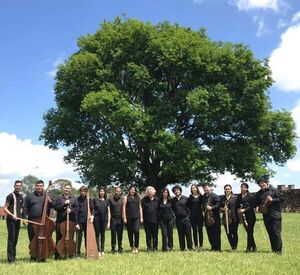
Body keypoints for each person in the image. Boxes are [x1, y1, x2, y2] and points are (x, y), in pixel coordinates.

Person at [24, 180, 54, 261]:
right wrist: (24, 218)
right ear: (35, 186)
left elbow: (53, 206)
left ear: (43, 187)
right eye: (38, 186)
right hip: (32, 221)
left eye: (41, 186)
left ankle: (43, 256)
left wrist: (50, 201)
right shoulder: (29, 196)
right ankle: (33, 256)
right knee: (32, 238)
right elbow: (25, 208)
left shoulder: (47, 195)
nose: (39, 187)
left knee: (44, 239)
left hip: (43, 222)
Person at [255, 178, 284, 254]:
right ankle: (273, 249)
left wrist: (272, 199)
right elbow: (256, 202)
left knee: (276, 233)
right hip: (266, 215)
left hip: (275, 215)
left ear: (266, 183)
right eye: (260, 184)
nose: (262, 185)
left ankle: (278, 250)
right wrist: (257, 207)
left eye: (263, 183)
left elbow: (282, 199)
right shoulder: (258, 193)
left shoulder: (274, 190)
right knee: (270, 233)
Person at [54, 182, 78, 259]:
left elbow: (77, 209)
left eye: (68, 188)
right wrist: (64, 204)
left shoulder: (74, 198)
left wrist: (71, 210)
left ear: (70, 189)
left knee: (70, 237)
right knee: (59, 237)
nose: (67, 189)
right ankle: (58, 254)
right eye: (66, 188)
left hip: (71, 222)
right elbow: (55, 208)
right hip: (60, 221)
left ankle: (70, 253)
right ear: (63, 189)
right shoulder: (59, 198)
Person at [4, 180, 24, 264]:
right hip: (11, 220)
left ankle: (13, 258)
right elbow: (5, 208)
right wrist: (12, 215)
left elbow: (22, 208)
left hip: (18, 221)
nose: (18, 187)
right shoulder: (10, 196)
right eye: (17, 185)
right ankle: (10, 260)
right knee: (11, 239)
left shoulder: (21, 197)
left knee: (15, 239)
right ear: (14, 186)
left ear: (21, 187)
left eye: (20, 186)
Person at [171, 185, 193, 251]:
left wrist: (188, 217)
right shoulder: (173, 200)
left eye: (177, 190)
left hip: (186, 218)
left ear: (180, 191)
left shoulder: (186, 198)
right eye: (175, 191)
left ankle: (190, 247)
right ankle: (182, 248)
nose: (176, 191)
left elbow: (190, 208)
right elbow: (173, 209)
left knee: (188, 234)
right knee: (180, 234)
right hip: (178, 219)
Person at [236, 182, 256, 252]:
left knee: (250, 231)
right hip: (243, 216)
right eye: (242, 187)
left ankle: (248, 247)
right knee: (248, 231)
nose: (243, 188)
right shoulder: (239, 196)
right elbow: (237, 205)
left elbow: (253, 205)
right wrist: (239, 209)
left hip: (251, 216)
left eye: (244, 187)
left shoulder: (251, 196)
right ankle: (254, 247)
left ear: (247, 188)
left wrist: (245, 209)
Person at [122, 185, 143, 253]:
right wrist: (124, 217)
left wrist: (141, 217)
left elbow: (140, 207)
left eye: (133, 190)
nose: (132, 191)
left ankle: (136, 247)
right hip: (128, 218)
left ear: (135, 191)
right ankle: (132, 247)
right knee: (130, 233)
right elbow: (123, 207)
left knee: (136, 231)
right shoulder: (126, 197)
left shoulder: (138, 198)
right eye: (131, 189)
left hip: (136, 217)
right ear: (129, 190)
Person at [202, 183, 221, 251]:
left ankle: (218, 248)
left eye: (206, 187)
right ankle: (213, 247)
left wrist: (211, 207)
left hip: (215, 217)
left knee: (216, 233)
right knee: (209, 233)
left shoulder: (215, 196)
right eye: (204, 188)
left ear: (210, 187)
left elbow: (218, 205)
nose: (205, 189)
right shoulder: (203, 196)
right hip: (207, 217)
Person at [76, 185, 93, 256]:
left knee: (87, 237)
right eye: (82, 191)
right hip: (79, 221)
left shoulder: (89, 200)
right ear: (80, 191)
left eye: (85, 191)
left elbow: (93, 209)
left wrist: (92, 216)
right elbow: (76, 212)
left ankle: (88, 251)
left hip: (87, 222)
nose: (83, 192)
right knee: (78, 237)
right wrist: (76, 223)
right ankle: (77, 252)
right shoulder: (77, 199)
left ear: (86, 192)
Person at [220, 184, 238, 251]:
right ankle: (232, 246)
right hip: (225, 218)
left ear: (231, 189)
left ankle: (235, 247)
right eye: (226, 189)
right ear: (224, 190)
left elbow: (238, 207)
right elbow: (219, 207)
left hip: (234, 218)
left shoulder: (235, 197)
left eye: (228, 189)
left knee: (234, 233)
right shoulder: (222, 198)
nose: (227, 190)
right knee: (228, 233)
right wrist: (223, 209)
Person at [93, 186, 110, 257]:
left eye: (103, 191)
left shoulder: (107, 200)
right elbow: (93, 210)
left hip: (104, 220)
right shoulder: (95, 200)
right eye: (100, 191)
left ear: (104, 192)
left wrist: (108, 222)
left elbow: (109, 212)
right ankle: (98, 250)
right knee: (97, 235)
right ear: (99, 192)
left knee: (103, 235)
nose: (102, 192)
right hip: (96, 220)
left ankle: (102, 250)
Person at [141, 186, 159, 252]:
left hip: (155, 220)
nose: (150, 193)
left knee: (155, 235)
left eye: (151, 192)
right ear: (147, 193)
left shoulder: (157, 200)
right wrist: (141, 218)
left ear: (154, 192)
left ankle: (155, 248)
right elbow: (141, 209)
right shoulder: (144, 200)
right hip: (147, 221)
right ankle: (149, 248)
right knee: (148, 235)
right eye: (149, 192)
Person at [187, 184, 203, 251]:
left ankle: (201, 246)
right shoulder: (190, 197)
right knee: (194, 231)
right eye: (192, 188)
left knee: (200, 231)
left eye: (194, 188)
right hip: (192, 216)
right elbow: (188, 206)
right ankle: (196, 245)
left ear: (197, 188)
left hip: (200, 216)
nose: (193, 189)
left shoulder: (201, 196)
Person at [108, 186, 123, 254]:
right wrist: (109, 220)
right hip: (113, 219)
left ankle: (120, 248)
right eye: (117, 191)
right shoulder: (110, 199)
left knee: (120, 234)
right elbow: (108, 211)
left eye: (119, 191)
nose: (118, 192)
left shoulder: (122, 199)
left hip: (120, 219)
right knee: (113, 234)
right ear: (115, 191)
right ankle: (113, 248)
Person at [159, 187, 174, 252]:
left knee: (170, 234)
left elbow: (174, 208)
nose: (165, 193)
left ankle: (170, 247)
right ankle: (164, 248)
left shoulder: (171, 200)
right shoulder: (159, 200)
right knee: (164, 234)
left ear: (168, 193)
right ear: (162, 193)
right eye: (164, 192)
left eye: (166, 192)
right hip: (162, 220)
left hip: (170, 219)